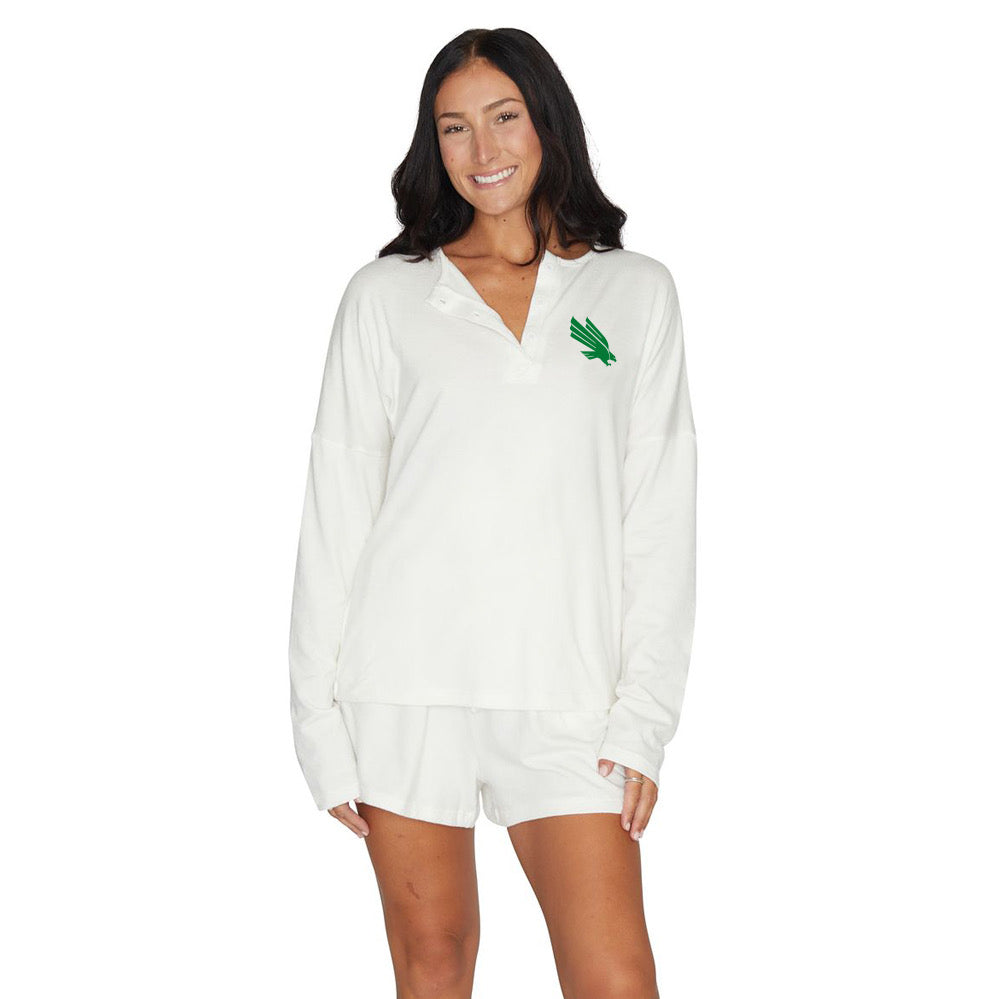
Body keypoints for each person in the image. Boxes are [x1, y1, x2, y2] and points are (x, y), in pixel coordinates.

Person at [288, 26, 697, 999]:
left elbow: (660, 514)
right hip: (405, 689)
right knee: (434, 968)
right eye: (455, 127)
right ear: (433, 144)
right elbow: (336, 510)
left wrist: (643, 717)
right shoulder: (385, 298)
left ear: (547, 120)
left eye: (504, 117)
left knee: (615, 977)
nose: (483, 150)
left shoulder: (633, 292)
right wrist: (316, 723)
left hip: (569, 694)